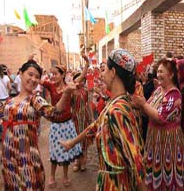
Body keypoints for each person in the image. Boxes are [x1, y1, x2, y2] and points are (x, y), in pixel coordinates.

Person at [60, 49, 145, 190]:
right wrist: (71, 143)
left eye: (104, 69)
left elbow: (136, 162)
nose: (101, 73)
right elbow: (95, 126)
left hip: (117, 184)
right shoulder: (115, 103)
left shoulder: (117, 111)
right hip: (109, 181)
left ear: (113, 73)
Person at [1, 60, 78, 190]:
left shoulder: (35, 100)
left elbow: (53, 113)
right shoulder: (8, 102)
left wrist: (65, 93)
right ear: (20, 74)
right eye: (30, 74)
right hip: (9, 158)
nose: (33, 79)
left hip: (28, 157)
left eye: (37, 77)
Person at [132, 58, 184, 191]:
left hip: (167, 141)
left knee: (167, 174)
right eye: (157, 71)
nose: (158, 74)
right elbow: (147, 110)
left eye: (161, 71)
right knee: (154, 172)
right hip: (154, 139)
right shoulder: (158, 90)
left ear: (171, 74)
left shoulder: (174, 95)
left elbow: (161, 117)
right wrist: (135, 103)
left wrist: (143, 104)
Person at [42, 55, 89, 188]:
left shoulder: (69, 86)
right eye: (51, 74)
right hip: (56, 125)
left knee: (66, 151)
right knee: (54, 150)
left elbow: (81, 78)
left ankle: (65, 176)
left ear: (62, 75)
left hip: (68, 124)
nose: (52, 76)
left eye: (55, 74)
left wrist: (86, 64)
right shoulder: (50, 86)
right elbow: (38, 81)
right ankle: (51, 176)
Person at [71, 72, 93, 172]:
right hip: (75, 117)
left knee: (84, 139)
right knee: (76, 138)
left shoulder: (86, 91)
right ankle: (76, 160)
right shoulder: (72, 92)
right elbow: (70, 106)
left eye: (83, 80)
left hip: (85, 118)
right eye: (80, 79)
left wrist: (91, 117)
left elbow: (89, 105)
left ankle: (84, 160)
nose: (82, 81)